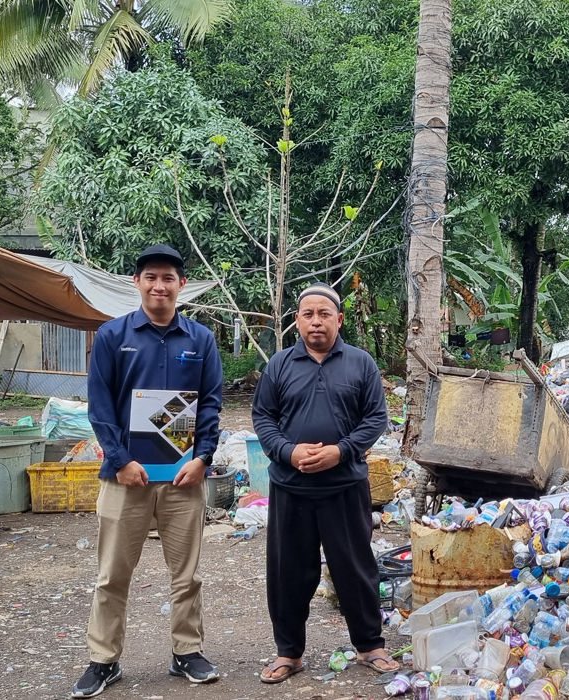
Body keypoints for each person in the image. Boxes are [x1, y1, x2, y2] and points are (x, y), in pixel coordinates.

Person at [72, 244, 223, 698]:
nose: (160, 285)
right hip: (126, 478)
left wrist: (203, 458)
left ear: (181, 285)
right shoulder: (112, 335)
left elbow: (212, 403)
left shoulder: (201, 340)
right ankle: (104, 660)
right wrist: (120, 461)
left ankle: (186, 652)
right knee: (112, 575)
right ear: (137, 283)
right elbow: (99, 407)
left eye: (169, 278)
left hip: (182, 477)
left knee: (188, 574)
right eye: (151, 277)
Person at [252, 283, 398, 683]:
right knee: (288, 572)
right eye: (308, 314)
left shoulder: (361, 363)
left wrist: (340, 451)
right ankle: (289, 653)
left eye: (324, 314)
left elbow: (375, 418)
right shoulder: (279, 365)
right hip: (291, 487)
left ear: (339, 319)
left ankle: (370, 645)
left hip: (345, 485)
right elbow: (263, 417)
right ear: (297, 320)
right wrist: (287, 451)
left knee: (355, 568)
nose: (316, 321)